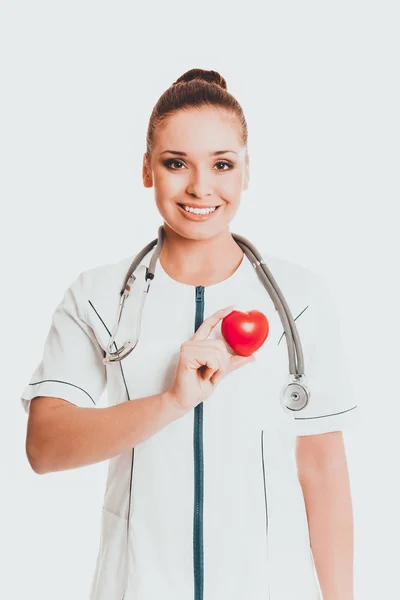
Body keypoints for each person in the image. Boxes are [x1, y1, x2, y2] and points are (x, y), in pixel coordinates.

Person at [21, 68, 359, 600]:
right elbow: (44, 446)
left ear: (246, 172)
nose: (201, 187)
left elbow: (322, 468)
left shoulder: (301, 297)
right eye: (176, 163)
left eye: (222, 164)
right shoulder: (99, 296)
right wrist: (173, 401)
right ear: (146, 170)